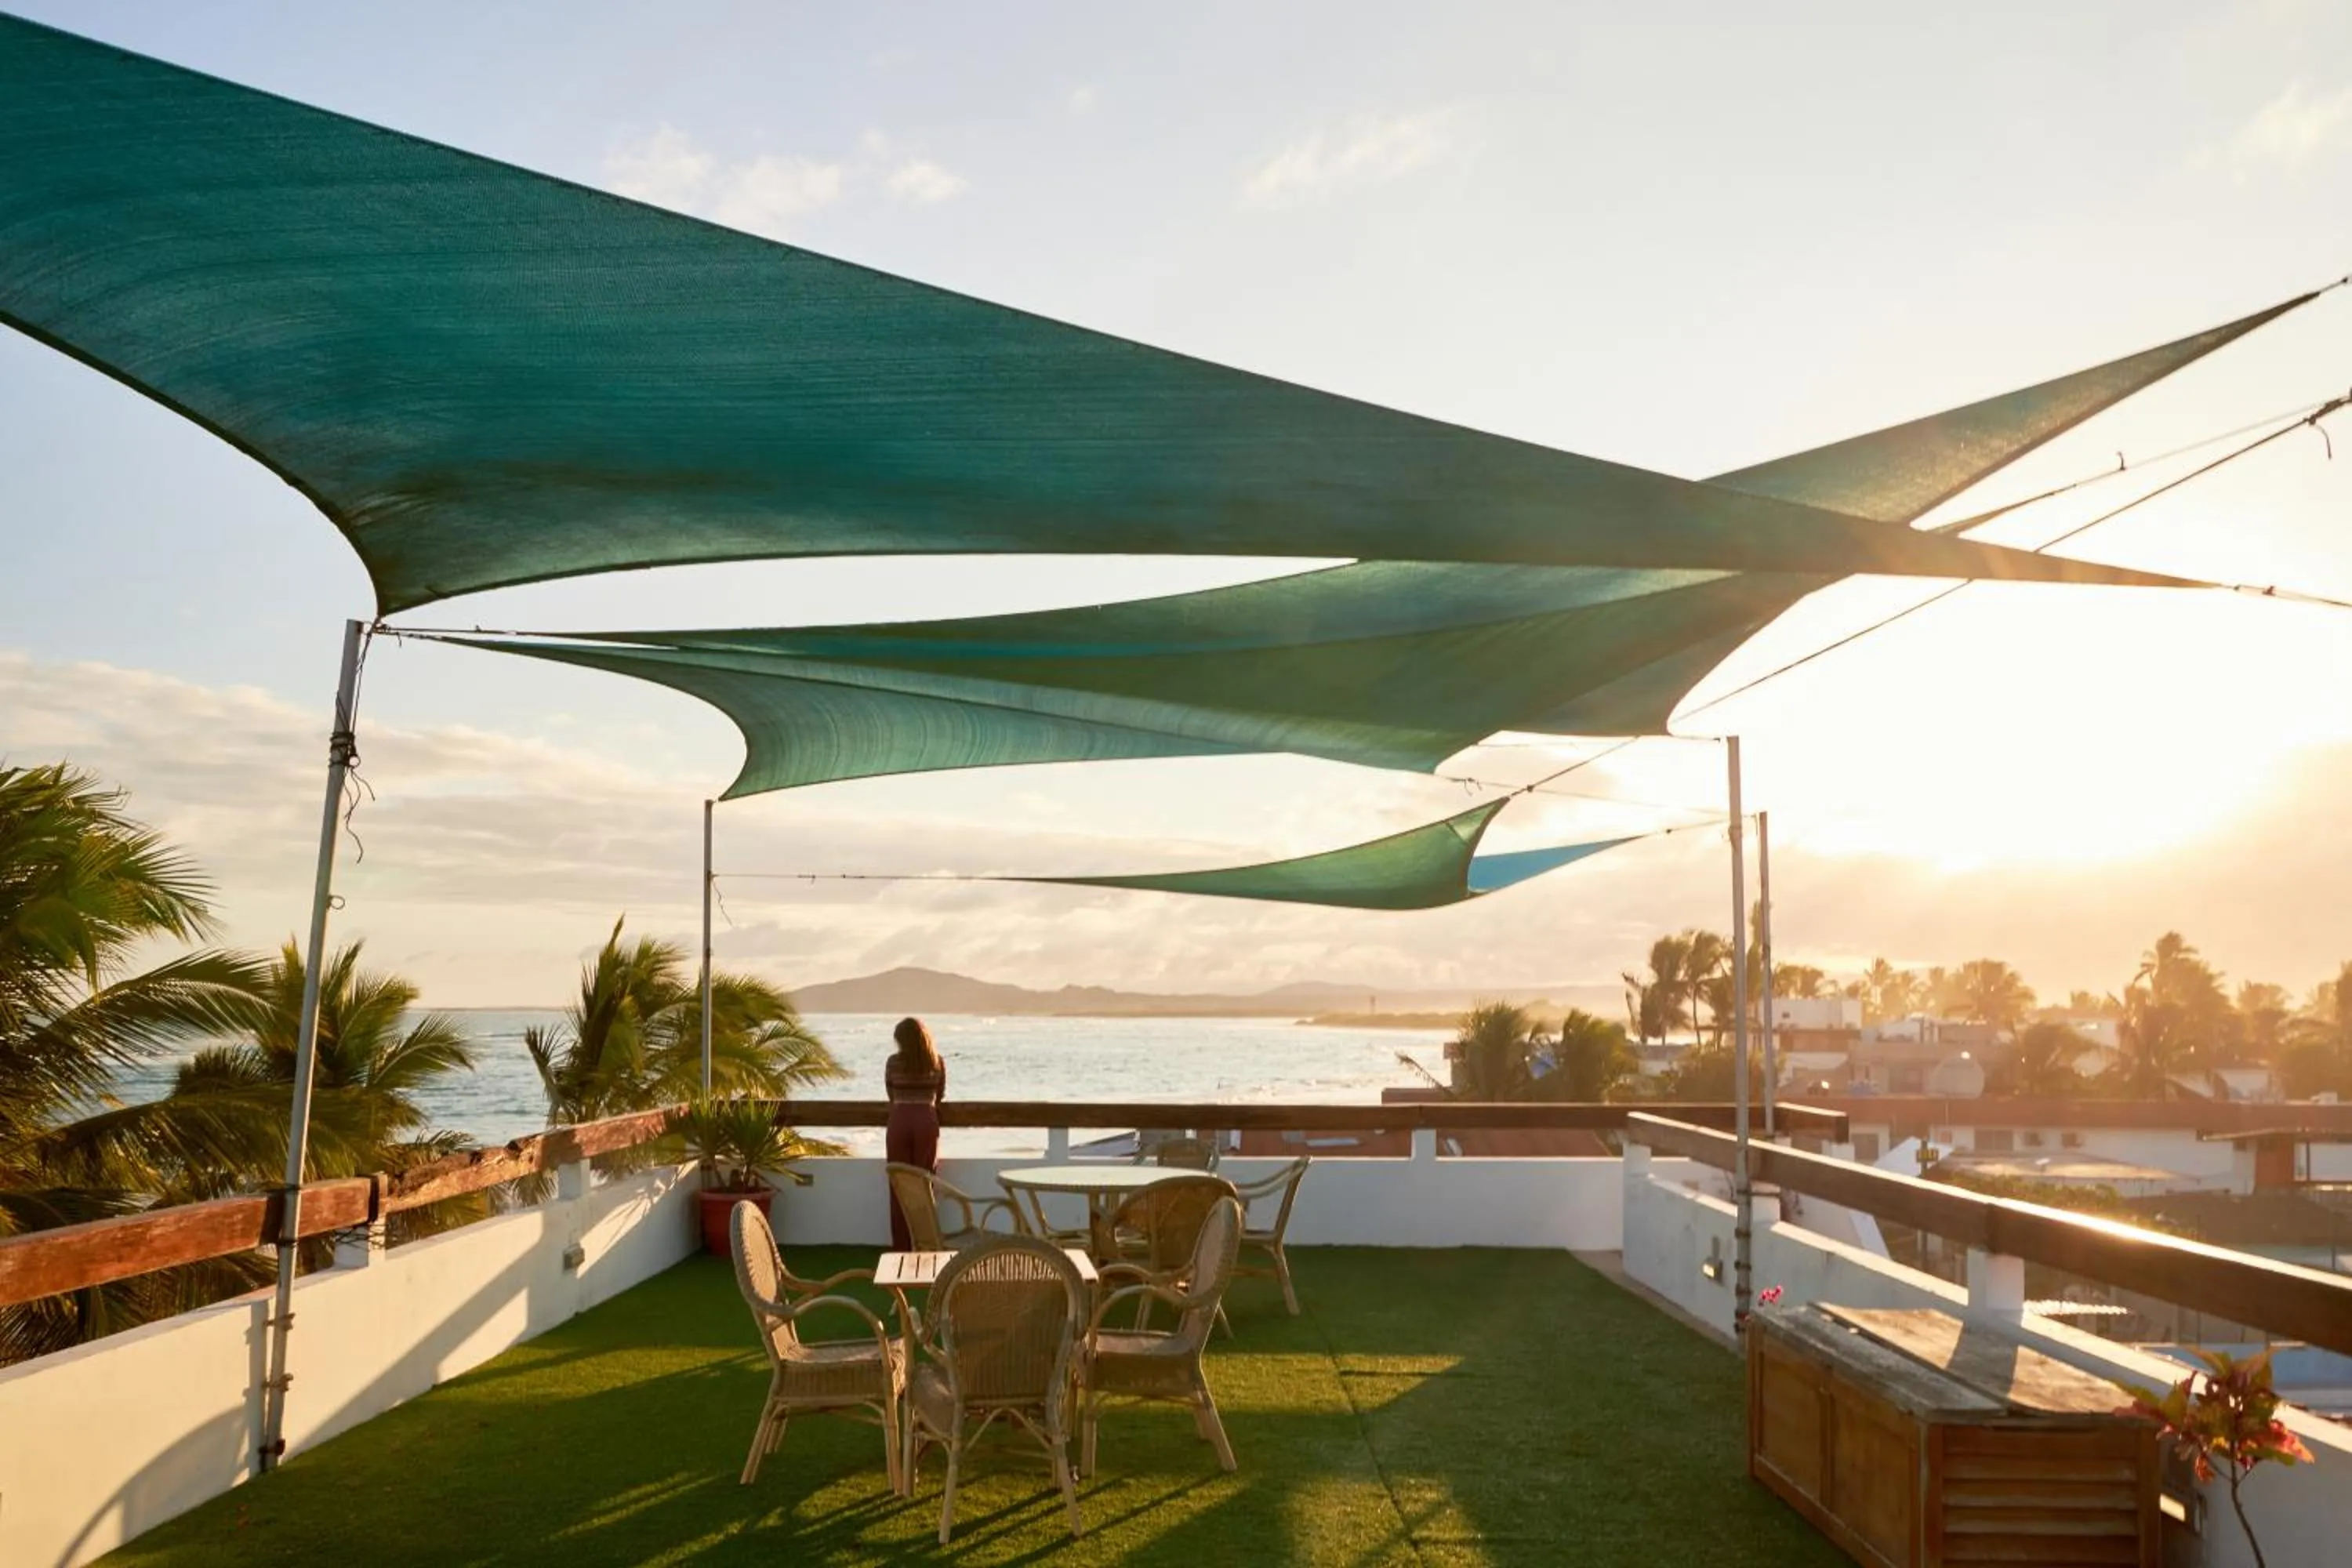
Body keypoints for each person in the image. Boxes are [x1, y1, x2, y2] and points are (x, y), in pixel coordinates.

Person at [884, 1016, 946, 1250]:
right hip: (926, 1121)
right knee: (924, 1184)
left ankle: (902, 1247)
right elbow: (939, 1095)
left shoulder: (893, 1063)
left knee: (899, 1185)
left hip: (899, 1120)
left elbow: (891, 1094)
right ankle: (926, 1244)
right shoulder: (936, 1062)